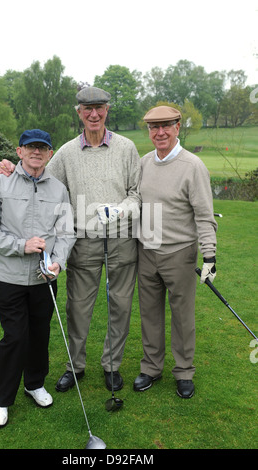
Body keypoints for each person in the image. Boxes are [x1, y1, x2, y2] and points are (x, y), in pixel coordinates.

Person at [0, 87, 141, 393]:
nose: (94, 114)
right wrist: (12, 167)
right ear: (79, 112)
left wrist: (118, 210)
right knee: (78, 308)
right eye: (87, 108)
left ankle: (112, 366)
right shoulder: (65, 153)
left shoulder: (127, 148)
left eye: (99, 107)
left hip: (121, 241)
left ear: (107, 110)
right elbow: (39, 176)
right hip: (83, 242)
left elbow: (136, 194)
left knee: (121, 306)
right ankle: (75, 366)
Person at [0, 129, 76, 428]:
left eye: (42, 148)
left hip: (44, 278)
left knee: (39, 335)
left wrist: (58, 263)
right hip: (7, 278)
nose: (36, 152)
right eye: (30, 147)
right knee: (15, 337)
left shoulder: (58, 189)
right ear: (19, 152)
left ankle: (34, 384)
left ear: (49, 153)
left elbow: (66, 232)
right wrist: (21, 246)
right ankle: (2, 399)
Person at [134, 106, 217, 398]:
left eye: (166, 126)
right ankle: (151, 368)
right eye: (154, 128)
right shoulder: (144, 163)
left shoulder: (192, 166)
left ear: (178, 127)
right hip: (146, 251)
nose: (160, 133)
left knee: (182, 317)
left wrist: (209, 256)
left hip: (180, 253)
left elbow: (205, 216)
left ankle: (183, 371)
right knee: (149, 315)